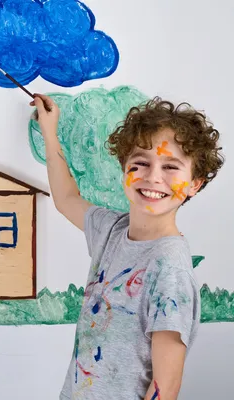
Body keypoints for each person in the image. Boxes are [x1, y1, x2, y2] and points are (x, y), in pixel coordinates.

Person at [31, 94, 224, 399]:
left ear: (194, 183)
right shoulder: (113, 230)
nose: (152, 177)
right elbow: (66, 199)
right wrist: (50, 132)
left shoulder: (169, 268)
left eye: (171, 167)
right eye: (141, 163)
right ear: (124, 169)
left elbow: (166, 387)